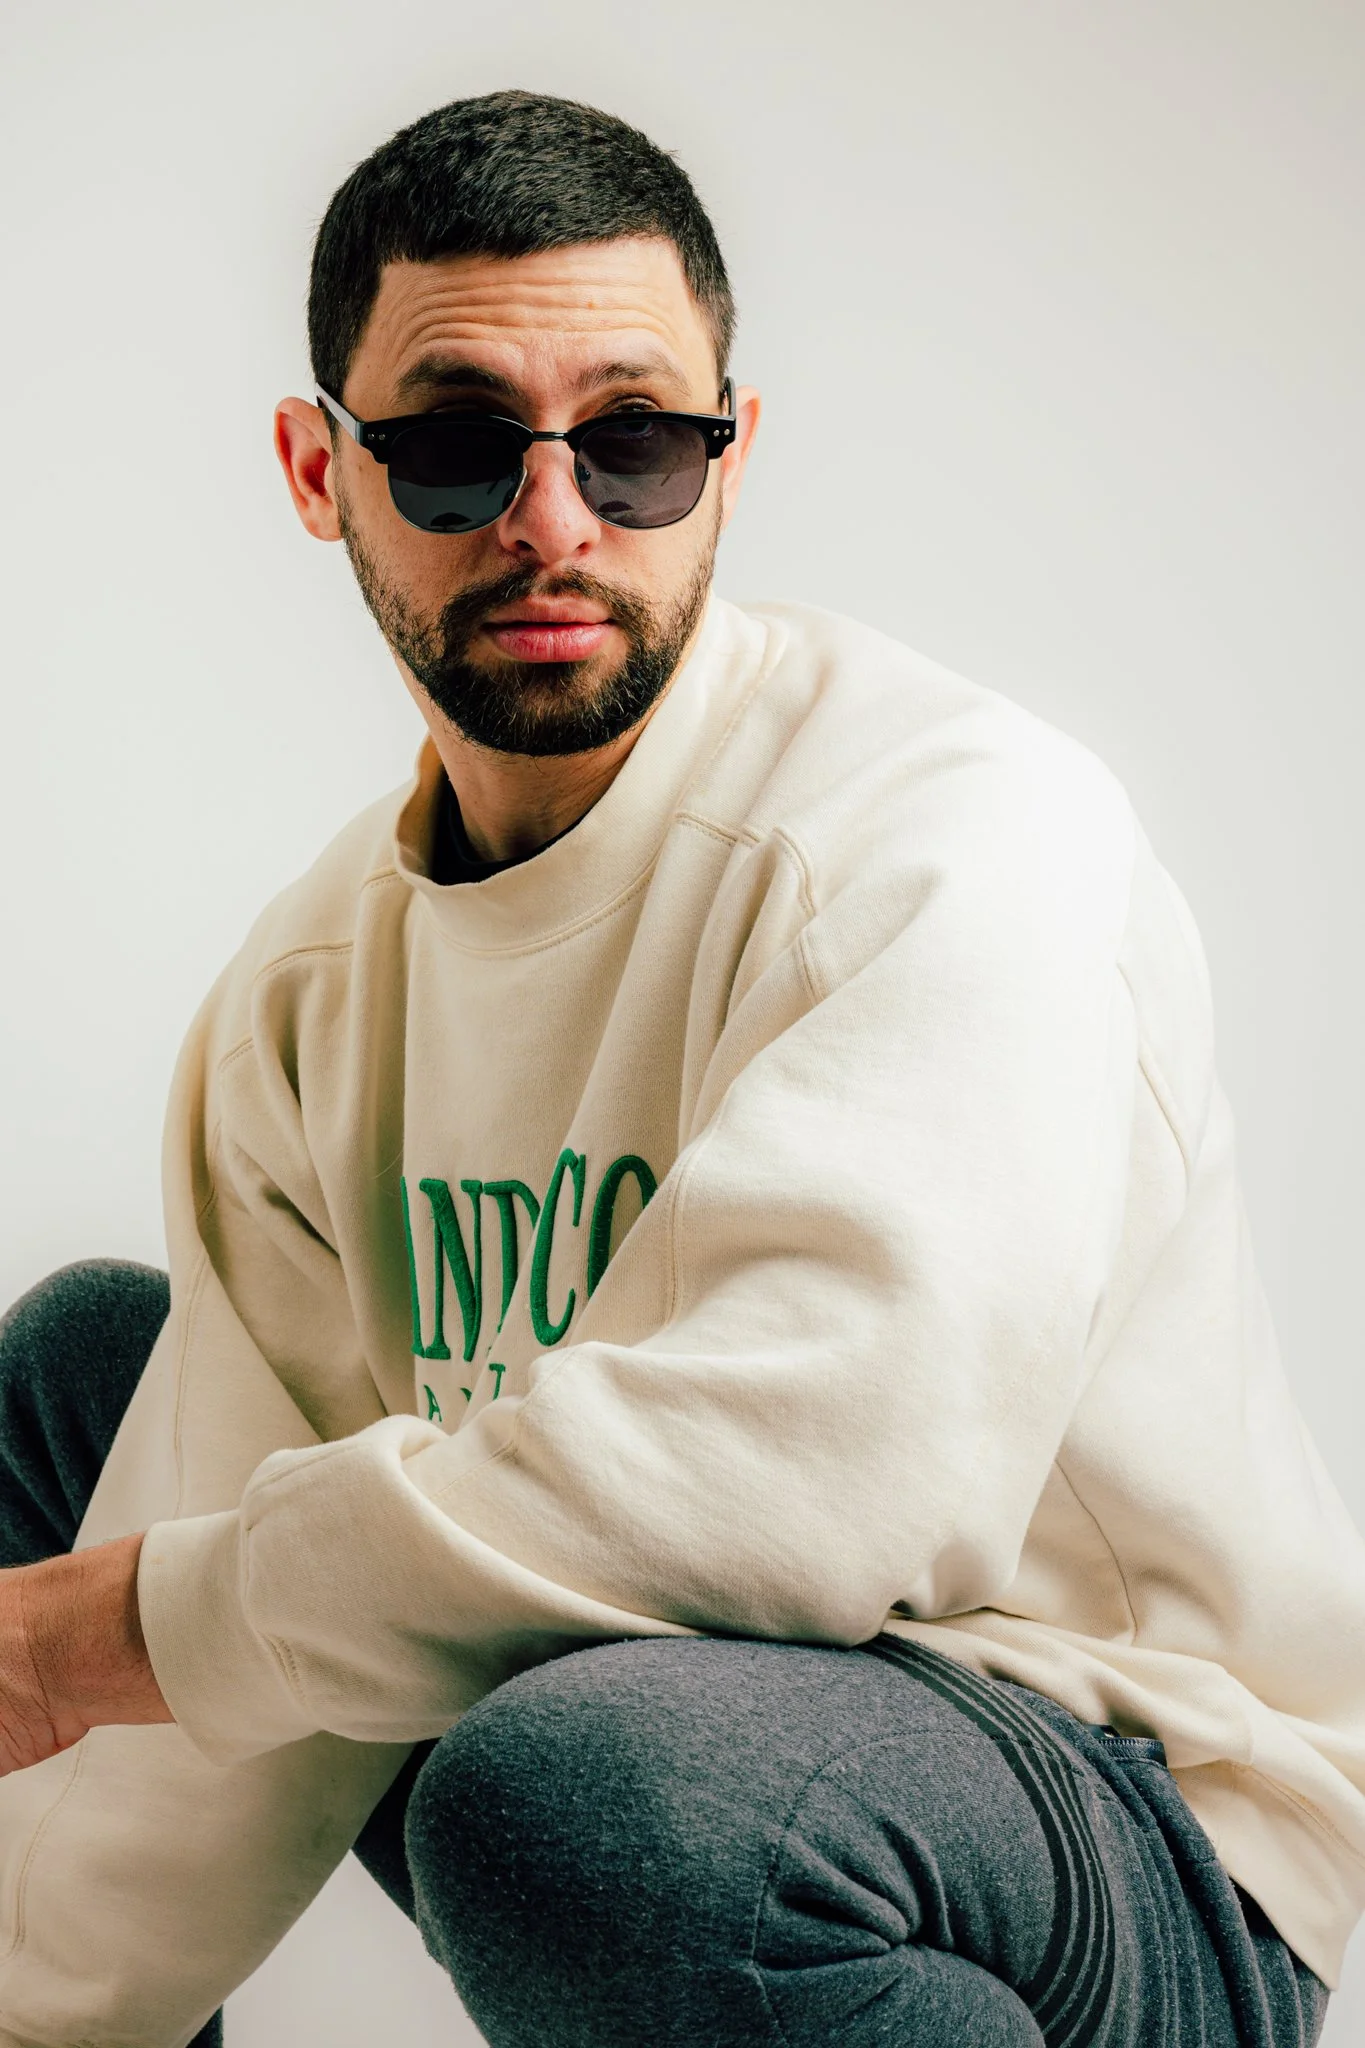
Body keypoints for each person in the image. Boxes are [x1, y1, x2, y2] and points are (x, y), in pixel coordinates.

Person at [0, 86, 1358, 2048]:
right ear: (319, 469)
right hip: (624, 1705)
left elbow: (807, 1492)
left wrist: (85, 1640)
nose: (554, 524)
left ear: (732, 459)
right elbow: (192, 1733)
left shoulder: (950, 832)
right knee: (89, 1382)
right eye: (457, 446)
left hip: (1115, 1807)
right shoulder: (306, 1001)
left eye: (634, 442)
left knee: (594, 1799)